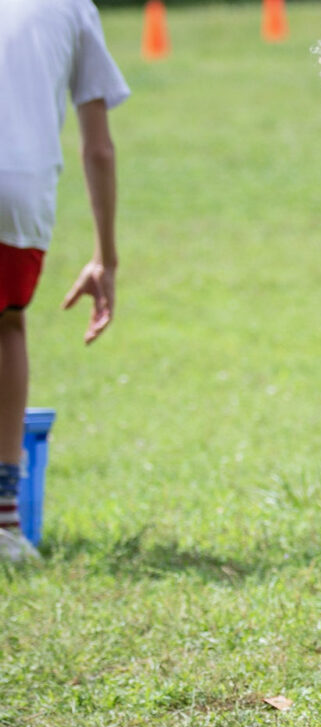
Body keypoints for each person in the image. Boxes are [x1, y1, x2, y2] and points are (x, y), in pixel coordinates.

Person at [0, 0, 128, 564]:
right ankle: (5, 525)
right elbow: (98, 146)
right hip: (18, 189)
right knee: (8, 326)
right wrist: (106, 256)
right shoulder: (70, 7)